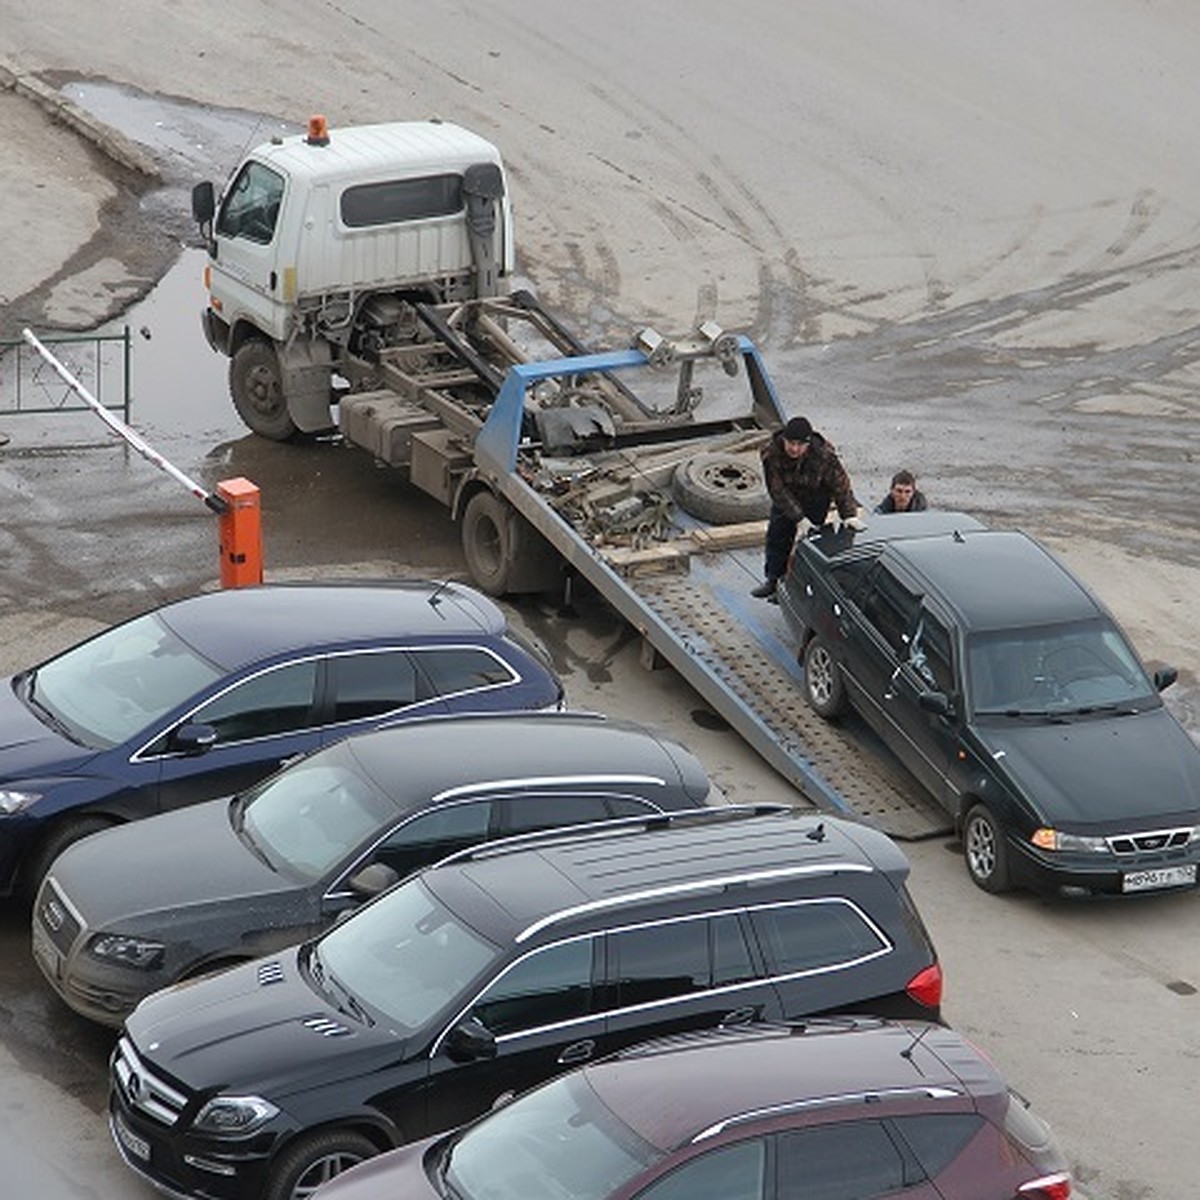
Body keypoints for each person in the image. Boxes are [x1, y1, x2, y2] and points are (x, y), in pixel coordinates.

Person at [751, 415, 864, 599]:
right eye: (791, 443)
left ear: (808, 443)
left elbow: (840, 485)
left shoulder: (824, 455)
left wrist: (849, 514)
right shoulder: (771, 453)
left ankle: (797, 586)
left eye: (800, 445)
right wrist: (798, 518)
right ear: (784, 440)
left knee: (811, 542)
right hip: (787, 496)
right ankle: (774, 581)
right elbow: (777, 490)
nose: (794, 449)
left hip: (816, 496)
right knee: (777, 536)